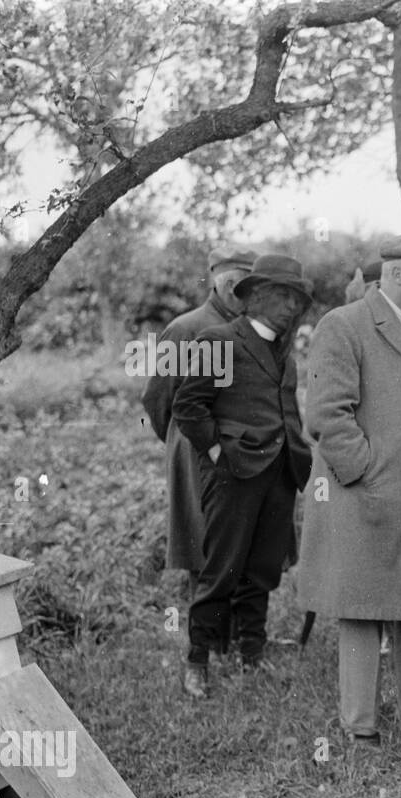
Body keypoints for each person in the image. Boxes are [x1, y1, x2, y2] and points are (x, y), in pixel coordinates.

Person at [298, 235, 401, 747]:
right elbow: (326, 415)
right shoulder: (343, 325)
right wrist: (367, 473)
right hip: (366, 499)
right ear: (393, 274)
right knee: (363, 613)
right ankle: (360, 731)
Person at [172, 254, 314, 698]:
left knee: (263, 568)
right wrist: (218, 453)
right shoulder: (219, 340)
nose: (290, 307)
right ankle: (197, 660)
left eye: (297, 299)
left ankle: (251, 652)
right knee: (221, 569)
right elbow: (187, 407)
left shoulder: (284, 355)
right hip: (234, 474)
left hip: (279, 474)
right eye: (281, 296)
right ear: (253, 298)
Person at [142, 245, 256, 601]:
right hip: (197, 453)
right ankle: (208, 642)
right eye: (240, 286)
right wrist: (184, 442)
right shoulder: (185, 328)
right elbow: (158, 400)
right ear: (222, 285)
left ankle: (239, 638)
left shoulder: (256, 329)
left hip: (246, 451)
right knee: (204, 544)